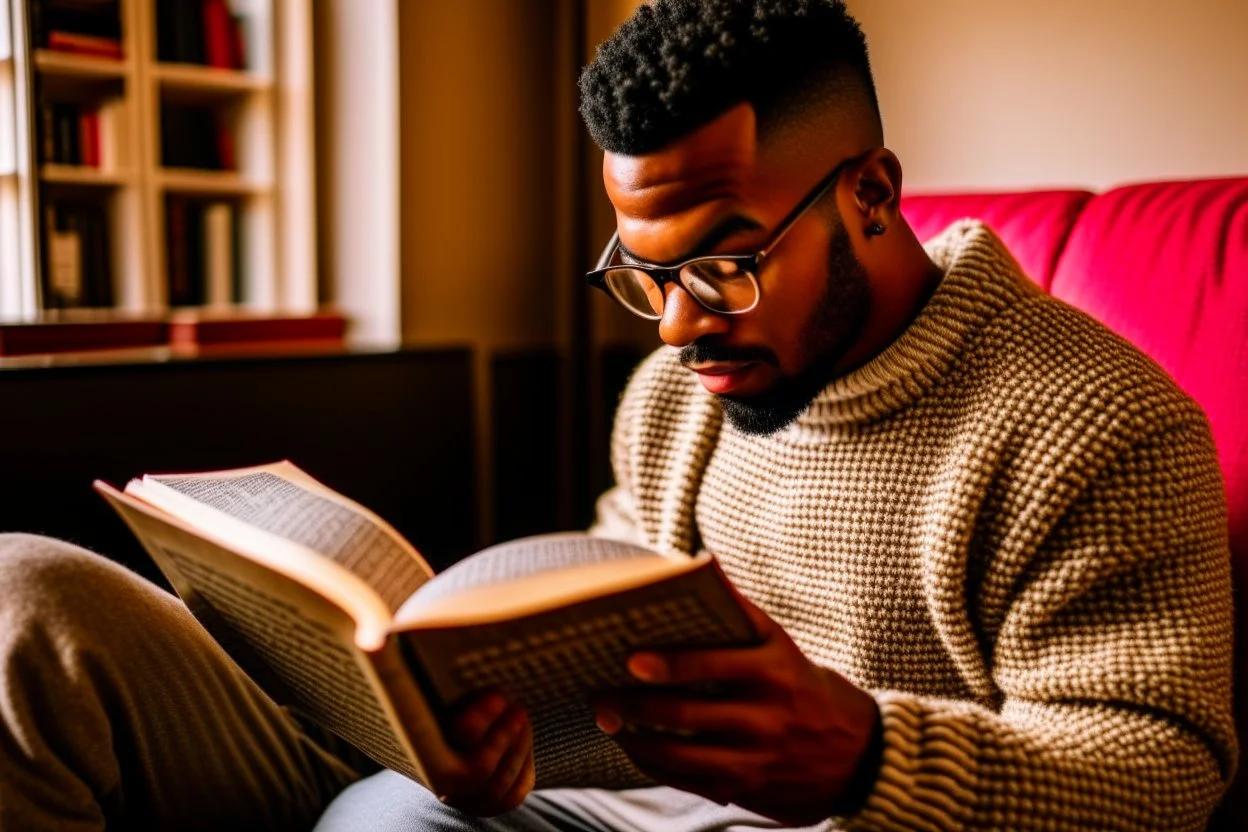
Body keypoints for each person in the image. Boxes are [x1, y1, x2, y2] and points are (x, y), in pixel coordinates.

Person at [0, 1, 1236, 830]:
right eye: (643, 271)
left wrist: (867, 757)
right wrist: (485, 719)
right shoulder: (679, 393)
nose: (678, 326)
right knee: (24, 604)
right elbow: (618, 610)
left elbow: (1170, 768)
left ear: (870, 193)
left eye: (722, 262)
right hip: (610, 798)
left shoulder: (1097, 426)